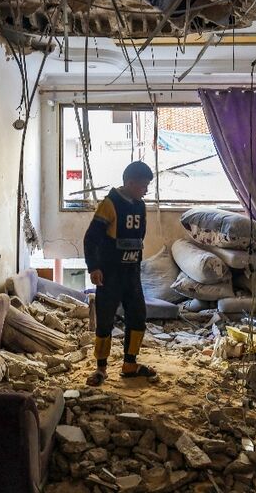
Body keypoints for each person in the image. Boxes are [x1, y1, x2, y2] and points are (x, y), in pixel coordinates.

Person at [83, 161, 157, 386]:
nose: (145, 190)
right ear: (130, 182)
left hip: (131, 273)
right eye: (143, 186)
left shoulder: (140, 206)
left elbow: (139, 237)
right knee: (105, 320)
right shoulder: (109, 204)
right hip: (110, 273)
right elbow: (91, 238)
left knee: (137, 317)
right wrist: (94, 267)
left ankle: (130, 364)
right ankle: (101, 368)